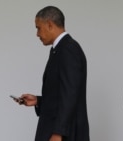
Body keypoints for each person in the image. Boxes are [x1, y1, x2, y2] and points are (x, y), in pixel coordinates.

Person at [13, 6, 90, 141]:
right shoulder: (58, 49)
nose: (37, 34)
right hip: (56, 130)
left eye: (38, 28)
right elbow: (60, 96)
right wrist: (38, 101)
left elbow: (70, 95)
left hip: (64, 135)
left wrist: (58, 133)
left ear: (49, 24)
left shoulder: (68, 49)